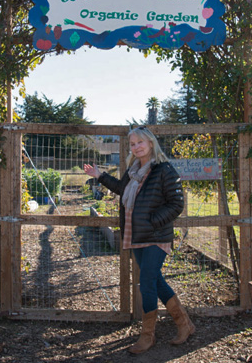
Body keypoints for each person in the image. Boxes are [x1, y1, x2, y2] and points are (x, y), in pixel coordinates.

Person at [83, 126, 195, 354]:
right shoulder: (134, 169)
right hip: (135, 234)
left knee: (146, 283)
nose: (136, 147)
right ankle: (185, 324)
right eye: (133, 144)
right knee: (155, 281)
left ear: (151, 143)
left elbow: (176, 204)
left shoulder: (164, 169)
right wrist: (100, 176)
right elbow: (120, 189)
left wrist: (153, 221)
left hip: (155, 236)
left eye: (140, 142)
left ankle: (147, 336)